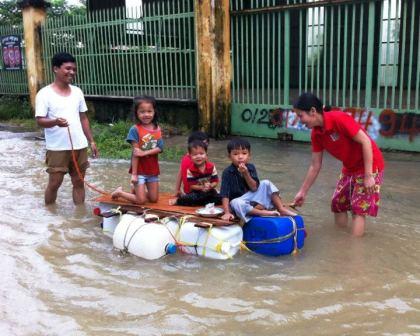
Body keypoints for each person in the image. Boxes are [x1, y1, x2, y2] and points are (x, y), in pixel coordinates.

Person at [292, 92, 385, 237]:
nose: (300, 121)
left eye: (300, 116)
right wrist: (303, 192)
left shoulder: (339, 119)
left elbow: (366, 141)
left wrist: (369, 176)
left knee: (358, 209)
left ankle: (355, 250)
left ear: (313, 111)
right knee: (338, 204)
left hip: (370, 165)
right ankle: (341, 241)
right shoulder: (316, 134)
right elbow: (315, 165)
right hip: (349, 167)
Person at [35, 52, 98, 205]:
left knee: (79, 182)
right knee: (55, 183)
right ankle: (49, 215)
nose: (72, 72)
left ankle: (79, 216)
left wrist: (91, 141)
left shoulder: (77, 92)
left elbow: (83, 118)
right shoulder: (44, 94)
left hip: (80, 146)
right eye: (68, 68)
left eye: (74, 69)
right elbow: (40, 120)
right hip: (57, 148)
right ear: (55, 69)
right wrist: (55, 122)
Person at [220, 138, 296, 222]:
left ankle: (281, 208)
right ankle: (262, 212)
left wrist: (246, 173)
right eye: (235, 154)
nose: (240, 157)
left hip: (251, 198)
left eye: (244, 153)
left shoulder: (251, 167)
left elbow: (254, 188)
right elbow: (225, 194)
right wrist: (226, 212)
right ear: (229, 157)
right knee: (236, 202)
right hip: (239, 202)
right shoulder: (227, 172)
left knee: (266, 183)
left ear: (249, 156)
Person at [111, 95, 163, 204]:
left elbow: (160, 148)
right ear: (137, 113)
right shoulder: (135, 130)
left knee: (154, 199)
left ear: (154, 112)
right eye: (142, 112)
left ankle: (135, 190)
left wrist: (144, 153)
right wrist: (134, 174)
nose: (146, 114)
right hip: (139, 170)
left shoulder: (157, 128)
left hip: (152, 169)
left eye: (149, 111)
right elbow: (135, 153)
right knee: (141, 201)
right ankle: (120, 192)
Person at [169, 140, 221, 206]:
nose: (198, 156)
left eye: (201, 154)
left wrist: (211, 186)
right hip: (197, 192)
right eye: (195, 154)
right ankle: (178, 201)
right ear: (190, 156)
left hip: (209, 191)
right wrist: (202, 187)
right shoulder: (190, 170)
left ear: (206, 154)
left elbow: (215, 181)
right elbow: (192, 186)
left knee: (219, 198)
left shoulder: (211, 167)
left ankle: (204, 202)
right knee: (191, 199)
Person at [173, 131, 210, 197]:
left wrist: (177, 190)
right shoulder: (199, 160)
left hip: (186, 192)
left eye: (207, 144)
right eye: (204, 144)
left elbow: (180, 173)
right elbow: (205, 180)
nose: (206, 146)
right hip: (195, 194)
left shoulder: (185, 157)